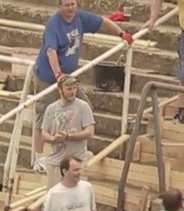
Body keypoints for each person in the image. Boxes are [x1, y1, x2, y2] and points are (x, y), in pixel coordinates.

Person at [31, 0, 132, 169]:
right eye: (66, 5)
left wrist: (121, 34)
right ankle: (38, 158)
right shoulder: (53, 24)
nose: (70, 8)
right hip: (48, 77)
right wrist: (58, 74)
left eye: (73, 4)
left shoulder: (81, 18)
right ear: (59, 6)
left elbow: (103, 22)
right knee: (43, 117)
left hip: (70, 78)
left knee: (84, 107)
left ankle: (77, 151)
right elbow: (51, 50)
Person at [41, 75, 96, 187]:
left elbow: (90, 132)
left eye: (74, 88)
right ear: (60, 90)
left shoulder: (83, 107)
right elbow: (43, 133)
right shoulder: (51, 109)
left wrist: (68, 136)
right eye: (69, 89)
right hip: (55, 163)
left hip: (76, 163)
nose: (73, 92)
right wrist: (53, 139)